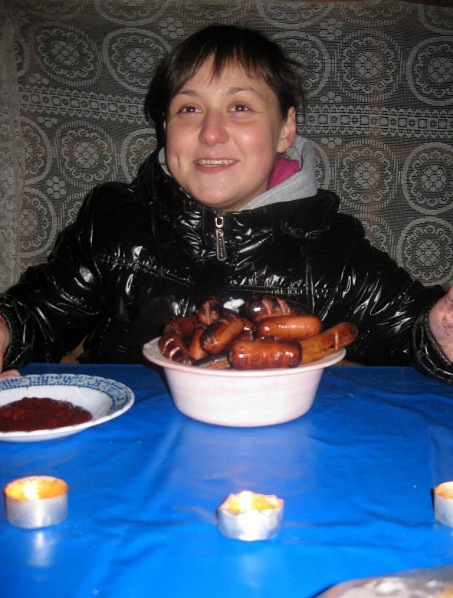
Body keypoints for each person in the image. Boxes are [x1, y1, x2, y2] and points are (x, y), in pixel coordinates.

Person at [0, 25, 452, 383]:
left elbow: (415, 332)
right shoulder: (115, 222)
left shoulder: (334, 246)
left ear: (286, 129)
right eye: (189, 109)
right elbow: (36, 319)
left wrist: (439, 332)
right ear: (165, 127)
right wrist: (5, 333)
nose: (211, 133)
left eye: (240, 107)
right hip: (126, 442)